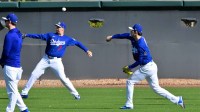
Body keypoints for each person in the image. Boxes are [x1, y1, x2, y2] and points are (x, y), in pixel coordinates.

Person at [106, 24, 185, 109]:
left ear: (136, 32)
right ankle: (177, 100)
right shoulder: (133, 37)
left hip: (147, 67)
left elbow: (139, 61)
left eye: (132, 30)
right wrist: (112, 36)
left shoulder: (141, 45)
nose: (131, 31)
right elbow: (124, 35)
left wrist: (130, 67)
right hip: (151, 66)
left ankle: (129, 104)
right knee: (156, 88)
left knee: (130, 82)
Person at [21, 22, 92, 100]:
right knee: (34, 74)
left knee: (63, 78)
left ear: (62, 29)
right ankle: (24, 92)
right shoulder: (50, 35)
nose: (57, 28)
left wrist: (87, 50)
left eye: (58, 27)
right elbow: (38, 36)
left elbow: (78, 43)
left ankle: (76, 94)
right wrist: (27, 35)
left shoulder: (67, 39)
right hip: (45, 59)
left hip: (57, 61)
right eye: (56, 27)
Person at [0, 13, 30, 112]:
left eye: (6, 20)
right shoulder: (18, 33)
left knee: (12, 92)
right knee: (14, 91)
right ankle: (24, 109)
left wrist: (1, 62)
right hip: (17, 67)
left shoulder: (9, 35)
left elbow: (6, 52)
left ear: (9, 22)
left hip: (10, 67)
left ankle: (9, 110)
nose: (4, 22)